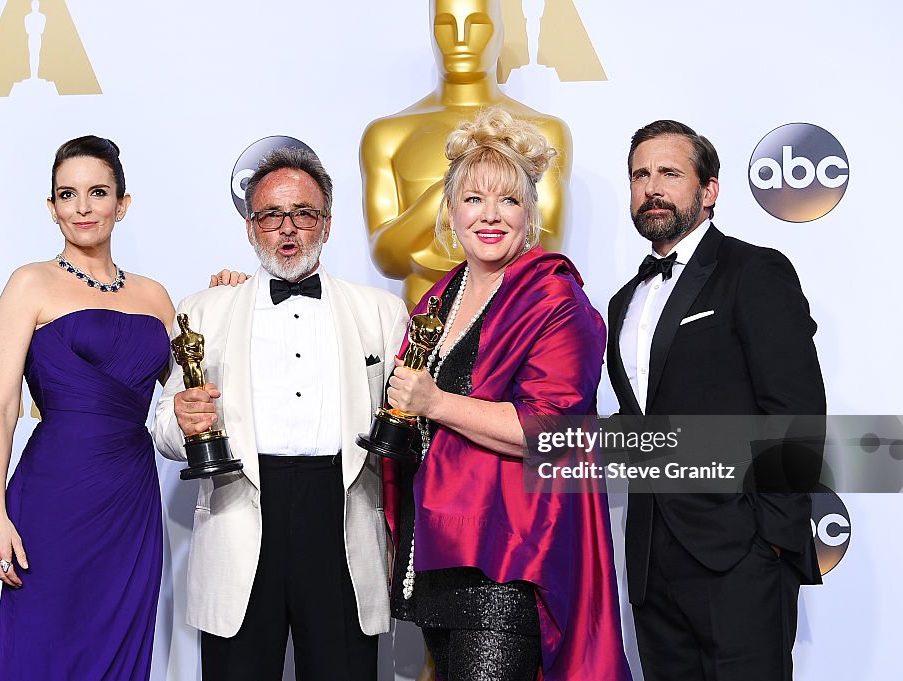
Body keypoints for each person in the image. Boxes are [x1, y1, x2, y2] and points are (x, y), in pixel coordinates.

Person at [384, 107, 631, 681]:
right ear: (450, 210)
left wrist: (436, 403)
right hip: (441, 555)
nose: (490, 216)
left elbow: (550, 432)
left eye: (509, 201)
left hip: (509, 558)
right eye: (473, 199)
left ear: (531, 214)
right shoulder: (438, 299)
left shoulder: (555, 300)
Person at [152, 147, 407, 681]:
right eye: (270, 215)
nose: (287, 229)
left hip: (341, 520)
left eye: (304, 214)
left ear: (328, 224)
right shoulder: (202, 310)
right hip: (239, 512)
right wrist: (183, 418)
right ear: (250, 228)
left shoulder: (381, 311)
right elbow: (164, 428)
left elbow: (405, 422)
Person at [606, 120, 826, 681]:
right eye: (640, 174)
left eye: (670, 173)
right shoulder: (622, 302)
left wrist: (771, 537)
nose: (652, 187)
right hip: (653, 561)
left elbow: (795, 409)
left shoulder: (754, 271)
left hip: (740, 554)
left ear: (709, 191)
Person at [0, 136, 175, 680]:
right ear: (52, 208)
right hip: (53, 498)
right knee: (42, 647)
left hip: (131, 499)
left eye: (97, 192)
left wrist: (226, 294)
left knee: (121, 647)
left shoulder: (156, 296)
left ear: (123, 203)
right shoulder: (30, 283)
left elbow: (193, 388)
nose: (83, 208)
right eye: (68, 195)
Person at [360, 0, 571, 307]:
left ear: (500, 32)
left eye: (477, 24)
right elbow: (387, 256)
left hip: (513, 321)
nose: (460, 39)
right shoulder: (387, 135)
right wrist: (445, 197)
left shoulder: (543, 131)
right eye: (445, 25)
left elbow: (547, 243)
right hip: (422, 330)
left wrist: (427, 240)